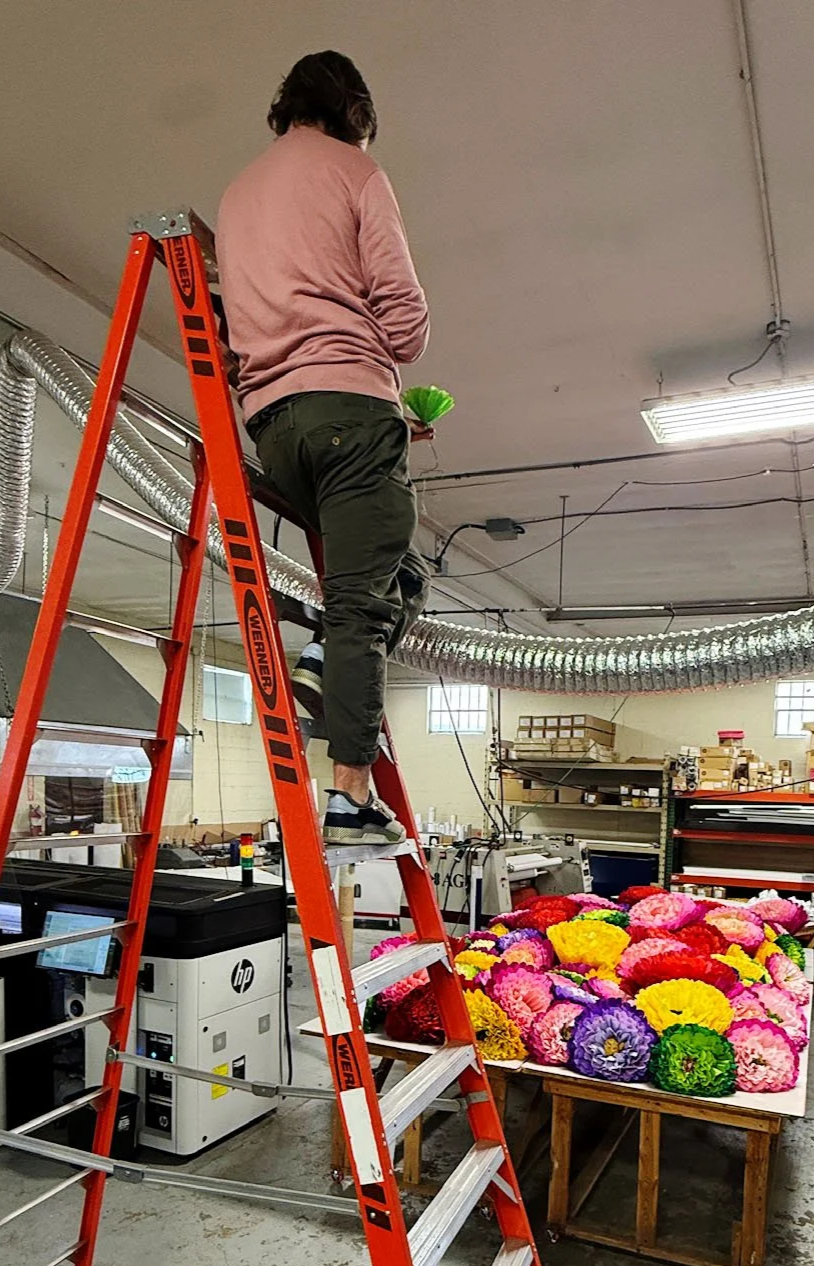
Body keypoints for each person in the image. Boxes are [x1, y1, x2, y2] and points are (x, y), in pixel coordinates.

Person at [216, 51, 432, 844]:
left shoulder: (238, 193)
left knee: (394, 566)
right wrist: (373, 371)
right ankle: (346, 797)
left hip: (275, 430)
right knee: (362, 606)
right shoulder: (355, 173)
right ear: (356, 114)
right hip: (351, 410)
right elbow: (404, 324)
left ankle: (317, 664)